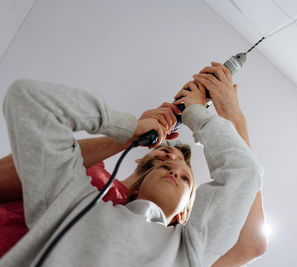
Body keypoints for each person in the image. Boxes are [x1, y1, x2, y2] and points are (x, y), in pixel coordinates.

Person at [0, 62, 265, 266]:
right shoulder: (78, 197)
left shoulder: (188, 251)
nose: (173, 166)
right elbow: (28, 100)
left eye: (186, 178)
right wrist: (127, 129)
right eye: (163, 160)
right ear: (137, 176)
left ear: (185, 215)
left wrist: (212, 114)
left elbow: (244, 175)